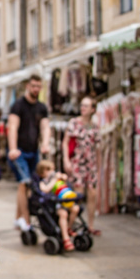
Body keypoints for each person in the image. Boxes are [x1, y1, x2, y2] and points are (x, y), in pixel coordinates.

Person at [8, 74, 50, 231]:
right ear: (28, 86)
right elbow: (12, 127)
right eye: (33, 86)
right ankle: (26, 222)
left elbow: (45, 127)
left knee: (31, 185)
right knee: (24, 182)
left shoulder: (42, 107)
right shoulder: (18, 105)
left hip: (34, 151)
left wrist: (45, 144)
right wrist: (12, 148)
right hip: (19, 151)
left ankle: (17, 219)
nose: (36, 89)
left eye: (38, 86)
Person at [63, 96, 101, 236]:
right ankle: (71, 225)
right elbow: (65, 142)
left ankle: (90, 225)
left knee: (92, 194)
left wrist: (98, 166)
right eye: (82, 105)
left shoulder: (95, 126)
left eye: (86, 106)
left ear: (92, 109)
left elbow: (97, 148)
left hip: (91, 164)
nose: (83, 108)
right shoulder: (74, 123)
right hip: (77, 162)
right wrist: (66, 160)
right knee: (78, 194)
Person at [37, 160, 80, 251]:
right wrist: (54, 180)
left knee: (76, 208)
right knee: (63, 214)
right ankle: (66, 238)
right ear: (41, 173)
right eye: (48, 170)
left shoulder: (58, 179)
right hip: (55, 204)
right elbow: (45, 190)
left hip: (66, 200)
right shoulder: (43, 182)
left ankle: (69, 228)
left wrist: (64, 178)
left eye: (52, 169)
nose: (51, 172)